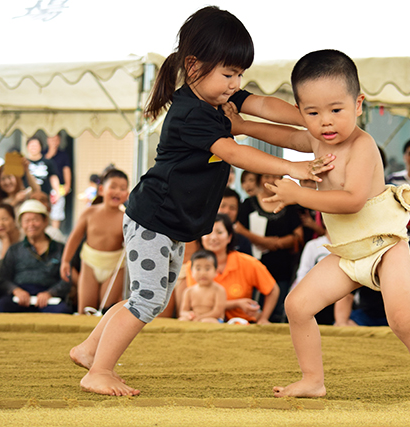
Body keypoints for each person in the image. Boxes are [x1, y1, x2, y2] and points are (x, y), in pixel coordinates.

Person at [67, 6, 330, 397]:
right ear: (193, 66)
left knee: (150, 300)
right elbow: (237, 154)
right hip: (153, 217)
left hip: (169, 221)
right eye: (229, 74)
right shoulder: (192, 113)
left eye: (240, 74)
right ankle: (100, 370)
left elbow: (261, 105)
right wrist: (297, 167)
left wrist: (309, 116)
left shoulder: (216, 96)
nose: (235, 83)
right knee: (146, 299)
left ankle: (90, 350)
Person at [227, 49, 410, 399]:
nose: (325, 122)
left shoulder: (363, 146)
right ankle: (313, 380)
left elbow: (352, 200)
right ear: (300, 112)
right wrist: (239, 126)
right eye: (313, 113)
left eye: (336, 110)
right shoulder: (316, 141)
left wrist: (297, 195)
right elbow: (283, 137)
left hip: (385, 247)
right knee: (297, 306)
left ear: (358, 104)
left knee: (403, 320)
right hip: (348, 253)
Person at [60, 169, 129, 315]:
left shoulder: (126, 219)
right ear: (102, 189)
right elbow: (74, 237)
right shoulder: (89, 213)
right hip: (90, 264)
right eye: (113, 187)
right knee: (86, 309)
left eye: (123, 189)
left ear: (127, 194)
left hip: (115, 266)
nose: (118, 191)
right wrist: (65, 261)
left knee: (107, 310)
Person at [237, 173, 304, 322]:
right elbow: (239, 229)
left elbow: (298, 235)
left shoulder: (289, 204)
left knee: (277, 309)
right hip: (253, 264)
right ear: (260, 179)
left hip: (282, 265)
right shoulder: (249, 203)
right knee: (250, 309)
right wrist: (262, 241)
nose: (270, 180)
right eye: (266, 176)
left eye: (275, 176)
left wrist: (278, 243)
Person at [0, 199, 72, 314]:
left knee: (63, 312)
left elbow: (66, 280)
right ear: (21, 224)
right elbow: (3, 279)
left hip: (48, 297)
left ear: (45, 221)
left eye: (35, 220)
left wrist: (50, 293)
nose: (31, 225)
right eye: (26, 221)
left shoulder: (61, 249)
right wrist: (16, 290)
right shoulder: (14, 250)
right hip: (19, 296)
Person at [178, 249, 227, 323]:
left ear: (216, 271)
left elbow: (218, 312)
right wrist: (189, 315)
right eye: (198, 269)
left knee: (207, 321)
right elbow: (183, 311)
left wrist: (201, 317)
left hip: (213, 318)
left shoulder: (219, 290)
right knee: (182, 320)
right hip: (195, 318)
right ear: (191, 272)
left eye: (207, 269)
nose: (203, 273)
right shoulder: (189, 291)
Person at [43, 133, 72, 230]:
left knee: (56, 215)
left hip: (58, 189)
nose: (54, 142)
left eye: (56, 140)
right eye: (52, 139)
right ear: (47, 140)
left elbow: (66, 170)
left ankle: (54, 235)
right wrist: (50, 154)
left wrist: (67, 185)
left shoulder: (63, 155)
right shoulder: (43, 154)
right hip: (44, 188)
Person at [25, 137, 60, 208]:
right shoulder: (23, 163)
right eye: (31, 145)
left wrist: (57, 192)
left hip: (44, 196)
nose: (33, 147)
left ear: (40, 147)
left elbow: (53, 177)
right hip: (27, 197)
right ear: (27, 147)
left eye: (36, 145)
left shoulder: (48, 162)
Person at [218, 187, 252, 255]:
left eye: (232, 208)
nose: (227, 211)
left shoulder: (243, 242)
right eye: (222, 206)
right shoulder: (204, 237)